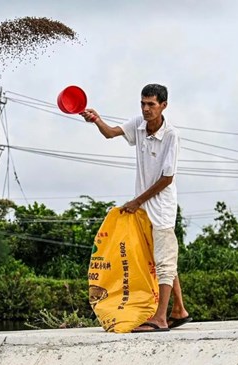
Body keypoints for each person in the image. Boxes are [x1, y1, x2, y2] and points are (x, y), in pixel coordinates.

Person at [81, 83, 191, 332]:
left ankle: (161, 318)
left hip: (160, 207)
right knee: (160, 259)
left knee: (163, 261)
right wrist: (97, 119)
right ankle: (179, 310)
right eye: (143, 103)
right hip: (142, 208)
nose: (146, 109)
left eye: (151, 104)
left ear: (163, 105)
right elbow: (110, 133)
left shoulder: (171, 135)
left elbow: (167, 178)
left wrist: (137, 201)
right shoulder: (138, 125)